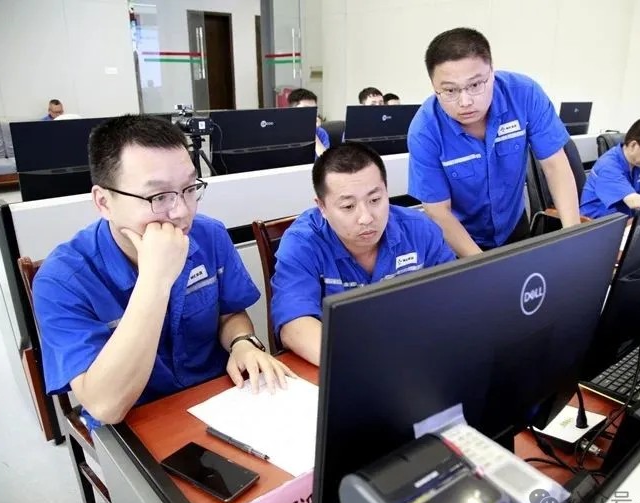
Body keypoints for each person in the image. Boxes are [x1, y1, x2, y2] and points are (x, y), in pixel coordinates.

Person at [33, 115, 293, 430]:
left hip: (218, 400)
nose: (182, 212)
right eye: (158, 197)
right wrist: (155, 280)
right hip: (134, 424)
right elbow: (106, 405)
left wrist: (242, 342)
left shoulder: (209, 235)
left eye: (189, 189)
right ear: (104, 202)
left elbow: (229, 313)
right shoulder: (62, 280)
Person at [270, 143, 456, 365]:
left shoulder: (419, 230)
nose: (366, 217)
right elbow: (295, 325)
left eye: (375, 200)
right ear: (322, 207)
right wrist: (365, 364)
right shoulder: (302, 243)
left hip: (415, 353)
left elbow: (453, 298)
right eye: (348, 206)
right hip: (346, 362)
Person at [407, 28, 580, 257]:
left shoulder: (524, 94)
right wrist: (484, 265)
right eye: (450, 90)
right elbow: (438, 212)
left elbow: (555, 166)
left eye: (475, 85)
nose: (465, 101)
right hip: (459, 238)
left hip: (513, 225)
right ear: (434, 86)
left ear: (492, 72)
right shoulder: (424, 131)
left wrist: (573, 239)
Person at [288, 88, 330, 157]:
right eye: (306, 109)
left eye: (314, 109)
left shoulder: (321, 133)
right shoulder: (283, 133)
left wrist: (312, 133)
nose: (311, 114)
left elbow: (325, 160)